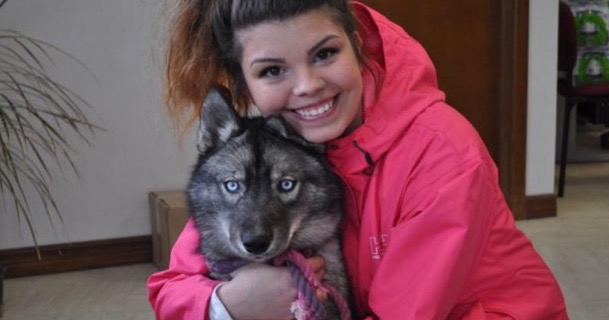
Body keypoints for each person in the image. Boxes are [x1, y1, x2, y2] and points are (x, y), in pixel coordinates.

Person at [147, 0, 570, 319]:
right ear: (246, 84)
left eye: (324, 54)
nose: (308, 86)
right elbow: (171, 289)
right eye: (273, 70)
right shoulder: (263, 151)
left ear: (357, 45)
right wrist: (231, 303)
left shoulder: (442, 153)